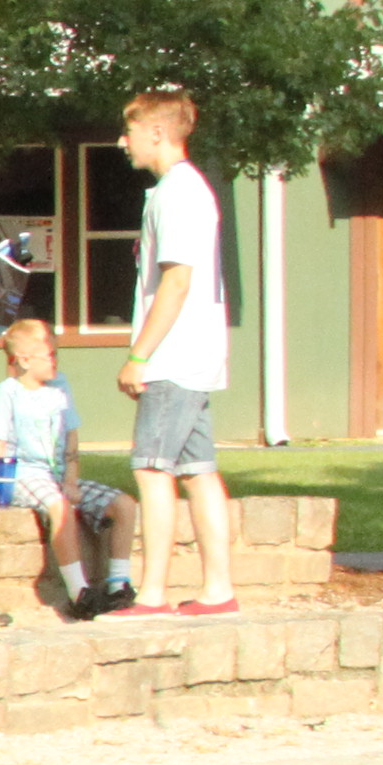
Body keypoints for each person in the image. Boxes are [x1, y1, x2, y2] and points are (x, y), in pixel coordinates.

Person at [116, 86, 238, 616]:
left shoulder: (176, 192)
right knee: (199, 470)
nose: (123, 142)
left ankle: (152, 594)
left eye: (131, 131)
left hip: (172, 357)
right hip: (194, 355)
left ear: (159, 132)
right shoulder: (182, 190)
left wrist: (139, 355)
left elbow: (177, 283)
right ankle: (218, 590)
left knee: (151, 469)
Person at [0, 317, 140, 620]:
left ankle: (118, 585)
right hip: (24, 474)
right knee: (60, 506)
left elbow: (71, 437)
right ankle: (79, 591)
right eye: (49, 355)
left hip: (58, 475)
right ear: (25, 360)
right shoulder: (8, 392)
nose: (55, 360)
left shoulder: (60, 386)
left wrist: (71, 479)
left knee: (124, 505)